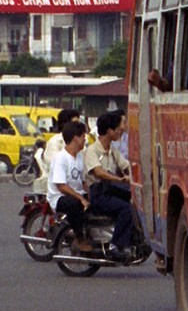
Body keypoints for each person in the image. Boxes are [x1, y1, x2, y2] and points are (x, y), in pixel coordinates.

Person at [85, 110, 136, 261]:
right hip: (99, 193)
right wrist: (119, 179)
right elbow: (98, 172)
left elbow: (126, 166)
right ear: (110, 131)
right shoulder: (92, 151)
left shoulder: (113, 151)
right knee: (125, 209)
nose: (122, 132)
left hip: (111, 190)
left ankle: (131, 240)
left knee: (133, 202)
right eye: (119, 129)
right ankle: (115, 245)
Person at [47, 120, 90, 248]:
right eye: (83, 137)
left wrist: (90, 194)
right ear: (76, 138)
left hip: (76, 193)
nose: (85, 140)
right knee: (74, 204)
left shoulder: (80, 157)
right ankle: (79, 238)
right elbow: (62, 186)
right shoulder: (61, 158)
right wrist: (81, 198)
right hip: (59, 197)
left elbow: (83, 182)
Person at [42, 108, 82, 174]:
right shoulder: (54, 143)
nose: (78, 127)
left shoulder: (81, 141)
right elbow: (56, 167)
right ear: (65, 125)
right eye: (74, 124)